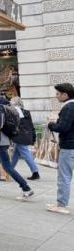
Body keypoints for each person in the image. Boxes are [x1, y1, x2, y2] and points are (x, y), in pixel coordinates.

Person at [0, 88, 34, 200]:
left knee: (7, 167)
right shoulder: (3, 105)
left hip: (1, 141)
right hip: (2, 139)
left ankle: (26, 188)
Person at [47, 83, 74, 215]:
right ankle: (61, 203)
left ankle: (61, 205)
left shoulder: (69, 107)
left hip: (69, 147)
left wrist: (51, 124)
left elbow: (63, 127)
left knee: (64, 177)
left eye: (57, 94)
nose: (56, 96)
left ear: (65, 95)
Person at [10, 96, 40, 180]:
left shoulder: (15, 112)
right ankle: (9, 170)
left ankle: (35, 172)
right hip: (25, 136)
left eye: (11, 101)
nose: (10, 102)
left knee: (26, 154)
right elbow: (30, 125)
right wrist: (33, 136)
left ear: (15, 102)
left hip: (19, 136)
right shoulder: (26, 112)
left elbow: (14, 125)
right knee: (15, 155)